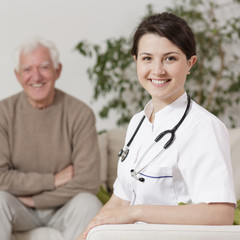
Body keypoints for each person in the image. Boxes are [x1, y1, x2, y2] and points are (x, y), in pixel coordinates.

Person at [76, 12, 236, 240]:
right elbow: (120, 199)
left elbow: (221, 214)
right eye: (147, 58)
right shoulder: (138, 122)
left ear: (190, 63)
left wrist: (136, 213)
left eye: (170, 58)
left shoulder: (203, 127)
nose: (158, 70)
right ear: (136, 61)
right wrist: (83, 235)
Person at [0, 38, 102, 240]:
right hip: (18, 206)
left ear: (58, 70)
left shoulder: (80, 113)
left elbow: (88, 182)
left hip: (64, 206)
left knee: (89, 203)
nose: (36, 76)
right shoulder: (3, 113)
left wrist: (35, 200)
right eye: (27, 69)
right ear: (18, 76)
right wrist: (52, 180)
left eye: (44, 67)